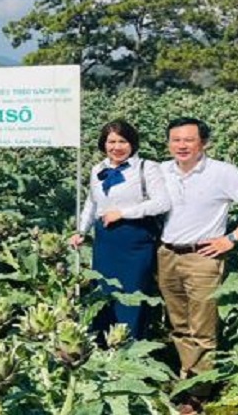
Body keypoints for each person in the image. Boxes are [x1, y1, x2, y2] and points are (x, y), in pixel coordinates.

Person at [157, 117, 238, 411]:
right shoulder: (161, 171)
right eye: (175, 140)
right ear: (169, 143)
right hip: (167, 253)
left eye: (188, 140)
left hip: (203, 257)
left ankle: (198, 393)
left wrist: (231, 238)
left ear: (203, 143)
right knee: (179, 325)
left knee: (202, 327)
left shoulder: (222, 172)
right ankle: (187, 377)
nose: (181, 145)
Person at [70, 119, 171, 340]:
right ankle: (101, 348)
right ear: (103, 144)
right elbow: (92, 203)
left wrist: (123, 213)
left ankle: (130, 348)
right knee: (102, 295)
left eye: (122, 141)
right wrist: (81, 231)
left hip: (135, 239)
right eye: (111, 141)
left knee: (132, 296)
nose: (116, 147)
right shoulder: (99, 169)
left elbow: (162, 203)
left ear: (133, 143)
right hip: (105, 241)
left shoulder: (147, 168)